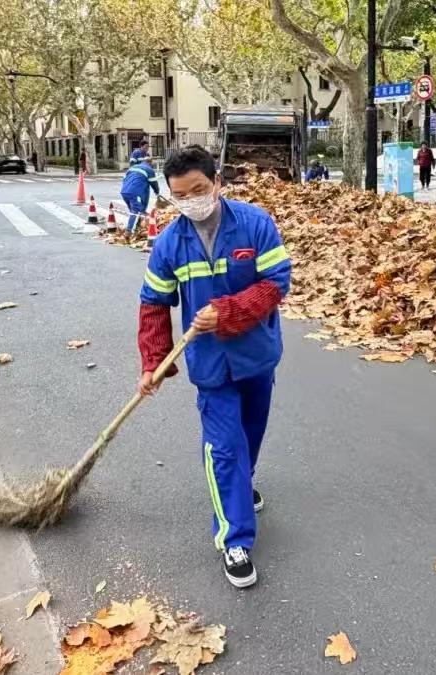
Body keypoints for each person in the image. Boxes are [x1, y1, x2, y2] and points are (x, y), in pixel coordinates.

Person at [136, 145, 291, 589]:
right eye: (181, 196)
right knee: (224, 447)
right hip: (210, 365)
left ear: (217, 181)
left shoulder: (255, 225)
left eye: (199, 190)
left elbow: (276, 283)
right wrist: (154, 362)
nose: (192, 202)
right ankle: (234, 538)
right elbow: (153, 305)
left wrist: (230, 311)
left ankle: (242, 484)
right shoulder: (170, 243)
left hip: (257, 354)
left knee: (250, 435)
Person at [120, 154, 160, 235]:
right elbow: (154, 184)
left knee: (134, 211)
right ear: (150, 163)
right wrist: (157, 193)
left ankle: (137, 227)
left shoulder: (132, 168)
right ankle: (129, 231)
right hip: (135, 193)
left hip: (124, 192)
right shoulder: (149, 170)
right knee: (136, 211)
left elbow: (124, 179)